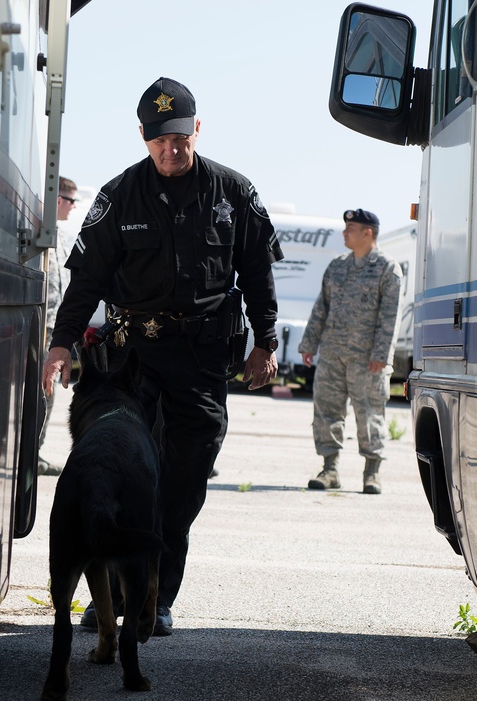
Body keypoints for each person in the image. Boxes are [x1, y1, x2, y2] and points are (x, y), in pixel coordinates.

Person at [42, 77, 283, 635]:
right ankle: (111, 597)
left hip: (200, 361)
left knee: (183, 480)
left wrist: (265, 342)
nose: (170, 150)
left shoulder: (234, 193)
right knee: (120, 470)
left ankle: (156, 596)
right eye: (158, 141)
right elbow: (87, 281)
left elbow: (258, 275)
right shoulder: (119, 195)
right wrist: (62, 342)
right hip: (131, 363)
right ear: (144, 138)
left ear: (196, 129)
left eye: (179, 138)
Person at [298, 209, 403, 495]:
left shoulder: (387, 267)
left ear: (367, 233)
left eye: (351, 228)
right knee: (327, 411)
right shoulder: (337, 266)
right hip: (332, 354)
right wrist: (309, 343)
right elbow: (322, 307)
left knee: (369, 412)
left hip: (367, 358)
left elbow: (389, 316)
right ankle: (329, 469)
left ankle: (372, 473)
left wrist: (381, 353)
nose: (345, 232)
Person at [38, 177, 80, 476]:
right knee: (40, 395)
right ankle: (28, 452)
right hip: (41, 329)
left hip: (54, 330)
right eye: (69, 200)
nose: (73, 206)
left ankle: (34, 451)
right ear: (56, 200)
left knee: (46, 396)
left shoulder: (60, 235)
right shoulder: (40, 231)